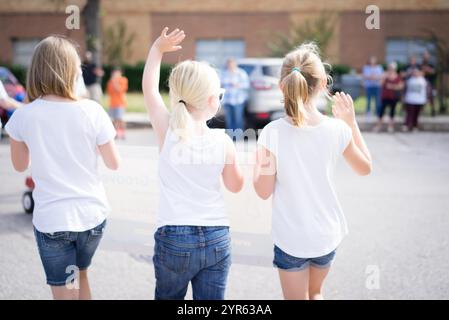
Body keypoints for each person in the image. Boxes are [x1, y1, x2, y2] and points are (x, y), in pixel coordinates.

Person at [253, 43, 372, 300]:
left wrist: (257, 165)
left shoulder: (272, 132)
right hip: (326, 234)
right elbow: (365, 168)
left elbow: (262, 191)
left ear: (281, 86)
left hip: (291, 238)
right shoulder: (338, 129)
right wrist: (351, 123)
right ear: (323, 85)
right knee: (316, 293)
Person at [5, 36, 120, 300]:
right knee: (81, 276)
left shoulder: (23, 116)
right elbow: (114, 163)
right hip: (92, 217)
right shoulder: (92, 110)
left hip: (53, 220)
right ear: (73, 71)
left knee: (65, 291)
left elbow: (20, 165)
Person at [142, 27, 244, 300]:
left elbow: (149, 88)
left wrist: (157, 49)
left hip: (173, 235)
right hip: (217, 236)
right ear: (212, 101)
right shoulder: (223, 142)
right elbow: (235, 186)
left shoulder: (166, 130)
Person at [220, 58, 250, 138]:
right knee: (229, 120)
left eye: (232, 64)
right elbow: (220, 84)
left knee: (238, 119)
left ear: (235, 64)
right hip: (227, 100)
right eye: (229, 64)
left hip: (238, 100)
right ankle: (230, 137)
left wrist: (238, 85)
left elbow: (247, 85)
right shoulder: (224, 73)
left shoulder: (241, 73)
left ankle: (238, 137)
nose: (230, 66)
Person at [373, 62, 404, 133]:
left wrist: (392, 86)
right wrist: (384, 77)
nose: (391, 69)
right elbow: (380, 84)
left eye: (392, 68)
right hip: (385, 96)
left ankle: (390, 127)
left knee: (392, 112)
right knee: (381, 112)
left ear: (395, 69)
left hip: (393, 97)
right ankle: (378, 126)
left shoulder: (397, 76)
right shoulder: (385, 76)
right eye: (390, 68)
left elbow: (401, 86)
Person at [106, 67, 128, 139]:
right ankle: (115, 133)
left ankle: (123, 133)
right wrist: (113, 81)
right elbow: (109, 92)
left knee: (120, 119)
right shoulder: (110, 82)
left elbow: (120, 90)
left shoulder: (123, 80)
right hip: (112, 103)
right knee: (114, 119)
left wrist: (115, 82)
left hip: (120, 103)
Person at [402, 68, 427, 132]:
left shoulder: (423, 80)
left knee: (416, 114)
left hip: (419, 100)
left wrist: (425, 99)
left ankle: (415, 126)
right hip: (410, 99)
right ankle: (406, 125)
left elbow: (425, 91)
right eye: (414, 72)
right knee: (409, 113)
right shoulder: (409, 80)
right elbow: (405, 89)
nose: (415, 73)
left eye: (416, 72)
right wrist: (404, 98)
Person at [420, 51, 437, 116]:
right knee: (422, 97)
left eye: (427, 56)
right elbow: (419, 72)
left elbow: (434, 72)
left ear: (429, 57)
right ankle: (420, 111)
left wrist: (428, 70)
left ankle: (433, 110)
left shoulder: (431, 64)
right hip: (421, 83)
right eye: (424, 56)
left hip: (430, 83)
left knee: (431, 97)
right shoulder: (421, 64)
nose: (425, 57)